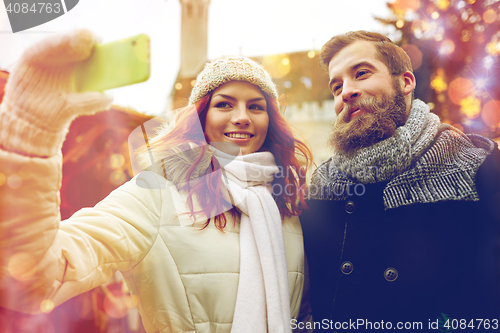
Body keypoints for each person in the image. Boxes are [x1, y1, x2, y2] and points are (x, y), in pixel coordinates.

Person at [0, 29, 313, 332]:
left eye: (256, 106)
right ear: (199, 119)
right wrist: (29, 139)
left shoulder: (289, 205)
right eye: (224, 104)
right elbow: (35, 278)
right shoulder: (157, 194)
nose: (242, 116)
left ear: (270, 121)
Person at [299, 30, 500, 330]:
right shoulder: (322, 184)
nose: (346, 92)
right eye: (337, 86)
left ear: (405, 82)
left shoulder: (476, 165)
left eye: (362, 74)